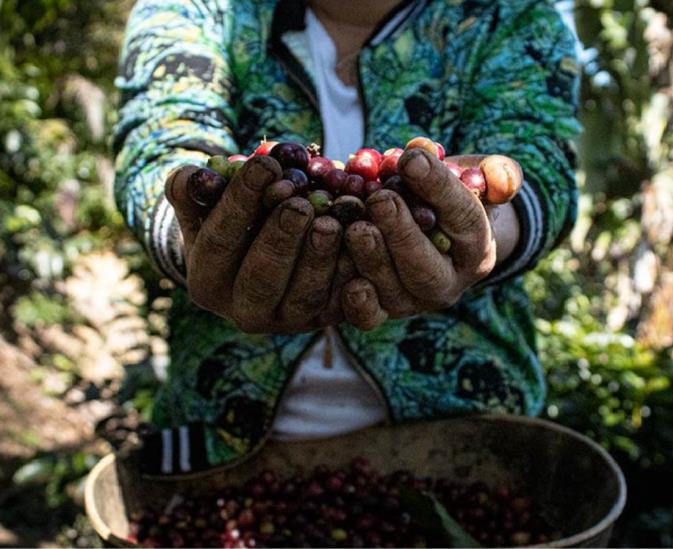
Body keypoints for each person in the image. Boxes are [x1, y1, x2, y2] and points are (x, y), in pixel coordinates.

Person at [114, 0, 580, 475]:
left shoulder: (508, 16)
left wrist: (484, 227)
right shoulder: (197, 8)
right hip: (221, 447)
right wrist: (198, 238)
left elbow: (540, 169)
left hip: (462, 449)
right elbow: (163, 152)